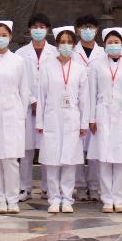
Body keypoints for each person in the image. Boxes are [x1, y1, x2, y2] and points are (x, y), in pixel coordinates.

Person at [0, 20, 32, 214]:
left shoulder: (18, 61)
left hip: (13, 114)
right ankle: (0, 199)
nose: (0, 38)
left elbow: (24, 91)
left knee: (10, 160)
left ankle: (12, 199)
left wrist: (21, 114)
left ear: (10, 37)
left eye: (4, 35)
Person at [36, 27, 90, 213]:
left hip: (73, 118)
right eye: (62, 42)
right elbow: (41, 97)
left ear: (74, 45)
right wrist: (40, 122)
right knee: (51, 161)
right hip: (52, 118)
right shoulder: (47, 68)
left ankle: (67, 199)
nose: (66, 45)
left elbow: (84, 99)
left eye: (69, 42)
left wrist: (84, 123)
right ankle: (54, 198)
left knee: (69, 160)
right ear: (57, 44)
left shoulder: (80, 70)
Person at [88, 28, 122, 213]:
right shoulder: (96, 66)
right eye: (110, 42)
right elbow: (92, 93)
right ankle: (106, 198)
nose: (113, 45)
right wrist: (91, 118)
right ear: (104, 45)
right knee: (104, 158)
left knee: (120, 158)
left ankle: (118, 198)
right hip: (102, 114)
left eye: (116, 42)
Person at [15, 12, 56, 201]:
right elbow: (19, 81)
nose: (38, 30)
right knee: (26, 151)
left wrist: (45, 103)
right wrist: (32, 100)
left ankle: (48, 188)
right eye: (35, 27)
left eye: (42, 27)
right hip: (27, 108)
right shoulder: (20, 54)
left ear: (47, 30)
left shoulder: (55, 53)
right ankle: (24, 188)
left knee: (48, 149)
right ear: (29, 29)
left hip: (49, 108)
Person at [73, 14, 103, 201]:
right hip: (76, 106)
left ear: (97, 30)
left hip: (98, 106)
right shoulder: (72, 52)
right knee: (76, 148)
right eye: (84, 27)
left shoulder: (103, 53)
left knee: (94, 150)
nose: (87, 30)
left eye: (91, 27)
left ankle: (93, 185)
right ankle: (80, 186)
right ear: (77, 30)